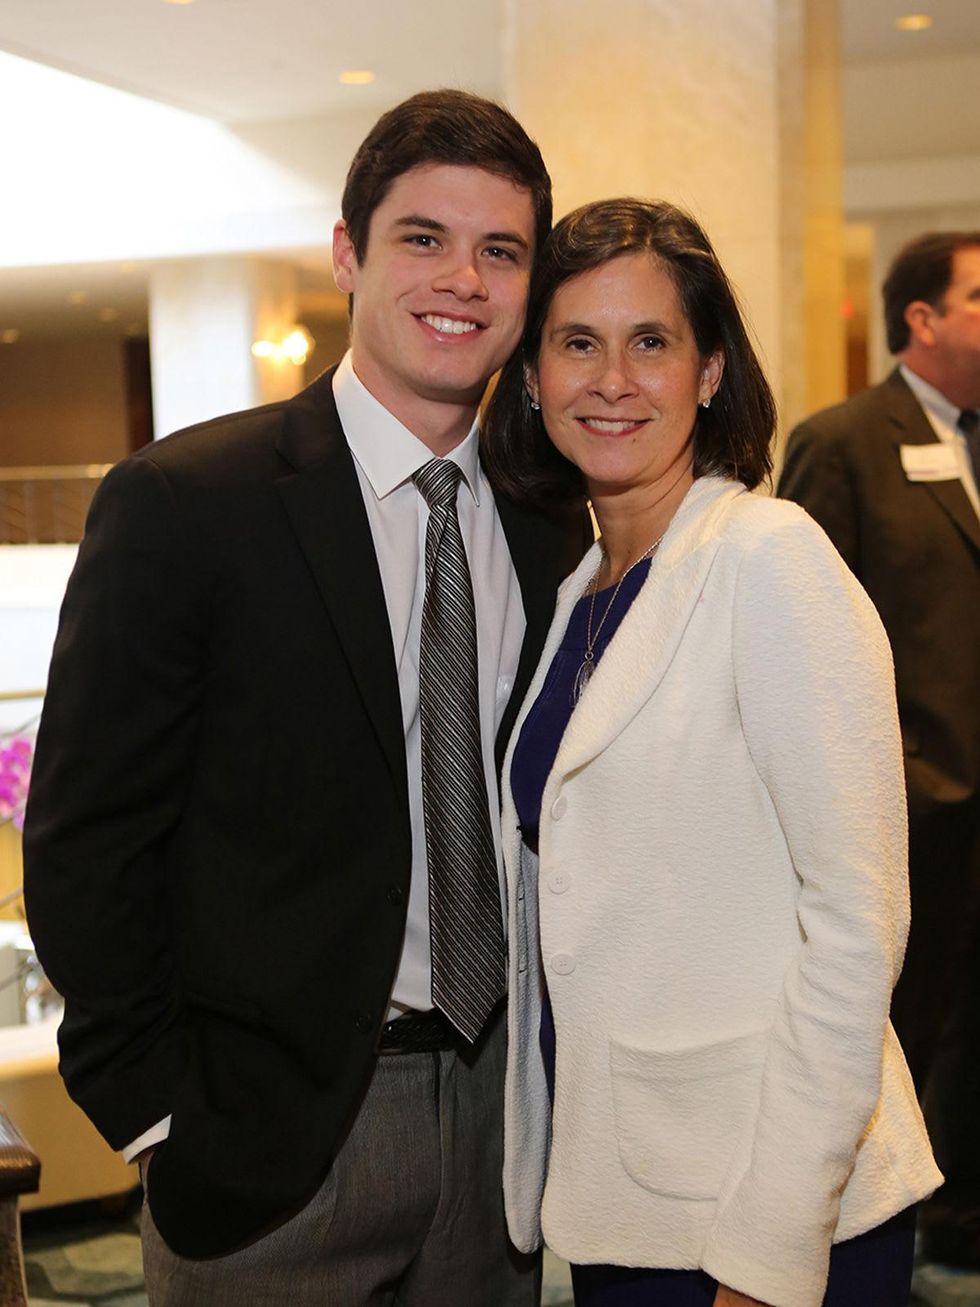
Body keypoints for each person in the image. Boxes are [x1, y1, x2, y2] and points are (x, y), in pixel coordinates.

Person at [23, 89, 590, 1305]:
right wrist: (156, 1112)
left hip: (503, 1124)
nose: (463, 279)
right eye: (422, 238)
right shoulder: (187, 503)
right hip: (271, 1142)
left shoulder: (552, 521)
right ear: (347, 253)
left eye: (500, 250)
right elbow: (84, 836)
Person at [481, 198, 942, 1307]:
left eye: (651, 342)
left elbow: (853, 920)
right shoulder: (567, 598)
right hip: (623, 1189)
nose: (610, 378)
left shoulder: (767, 558)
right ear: (532, 377)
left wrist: (771, 1244)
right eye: (576, 342)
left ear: (707, 372)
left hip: (764, 1213)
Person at [778, 231, 980, 1268]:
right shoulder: (844, 439)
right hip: (907, 805)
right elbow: (806, 636)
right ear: (921, 319)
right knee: (894, 1032)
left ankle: (957, 1220)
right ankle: (865, 1246)